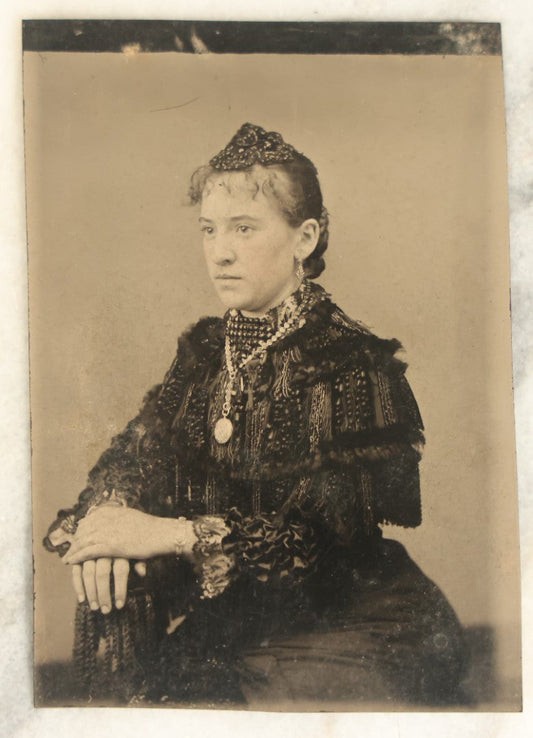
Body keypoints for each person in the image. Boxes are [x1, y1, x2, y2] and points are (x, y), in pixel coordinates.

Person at [44, 123, 466, 708]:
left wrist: (160, 533)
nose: (220, 251)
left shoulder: (352, 363)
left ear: (304, 238)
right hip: (247, 617)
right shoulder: (202, 357)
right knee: (116, 592)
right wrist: (109, 521)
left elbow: (313, 543)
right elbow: (136, 455)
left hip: (360, 623)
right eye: (209, 230)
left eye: (244, 229)